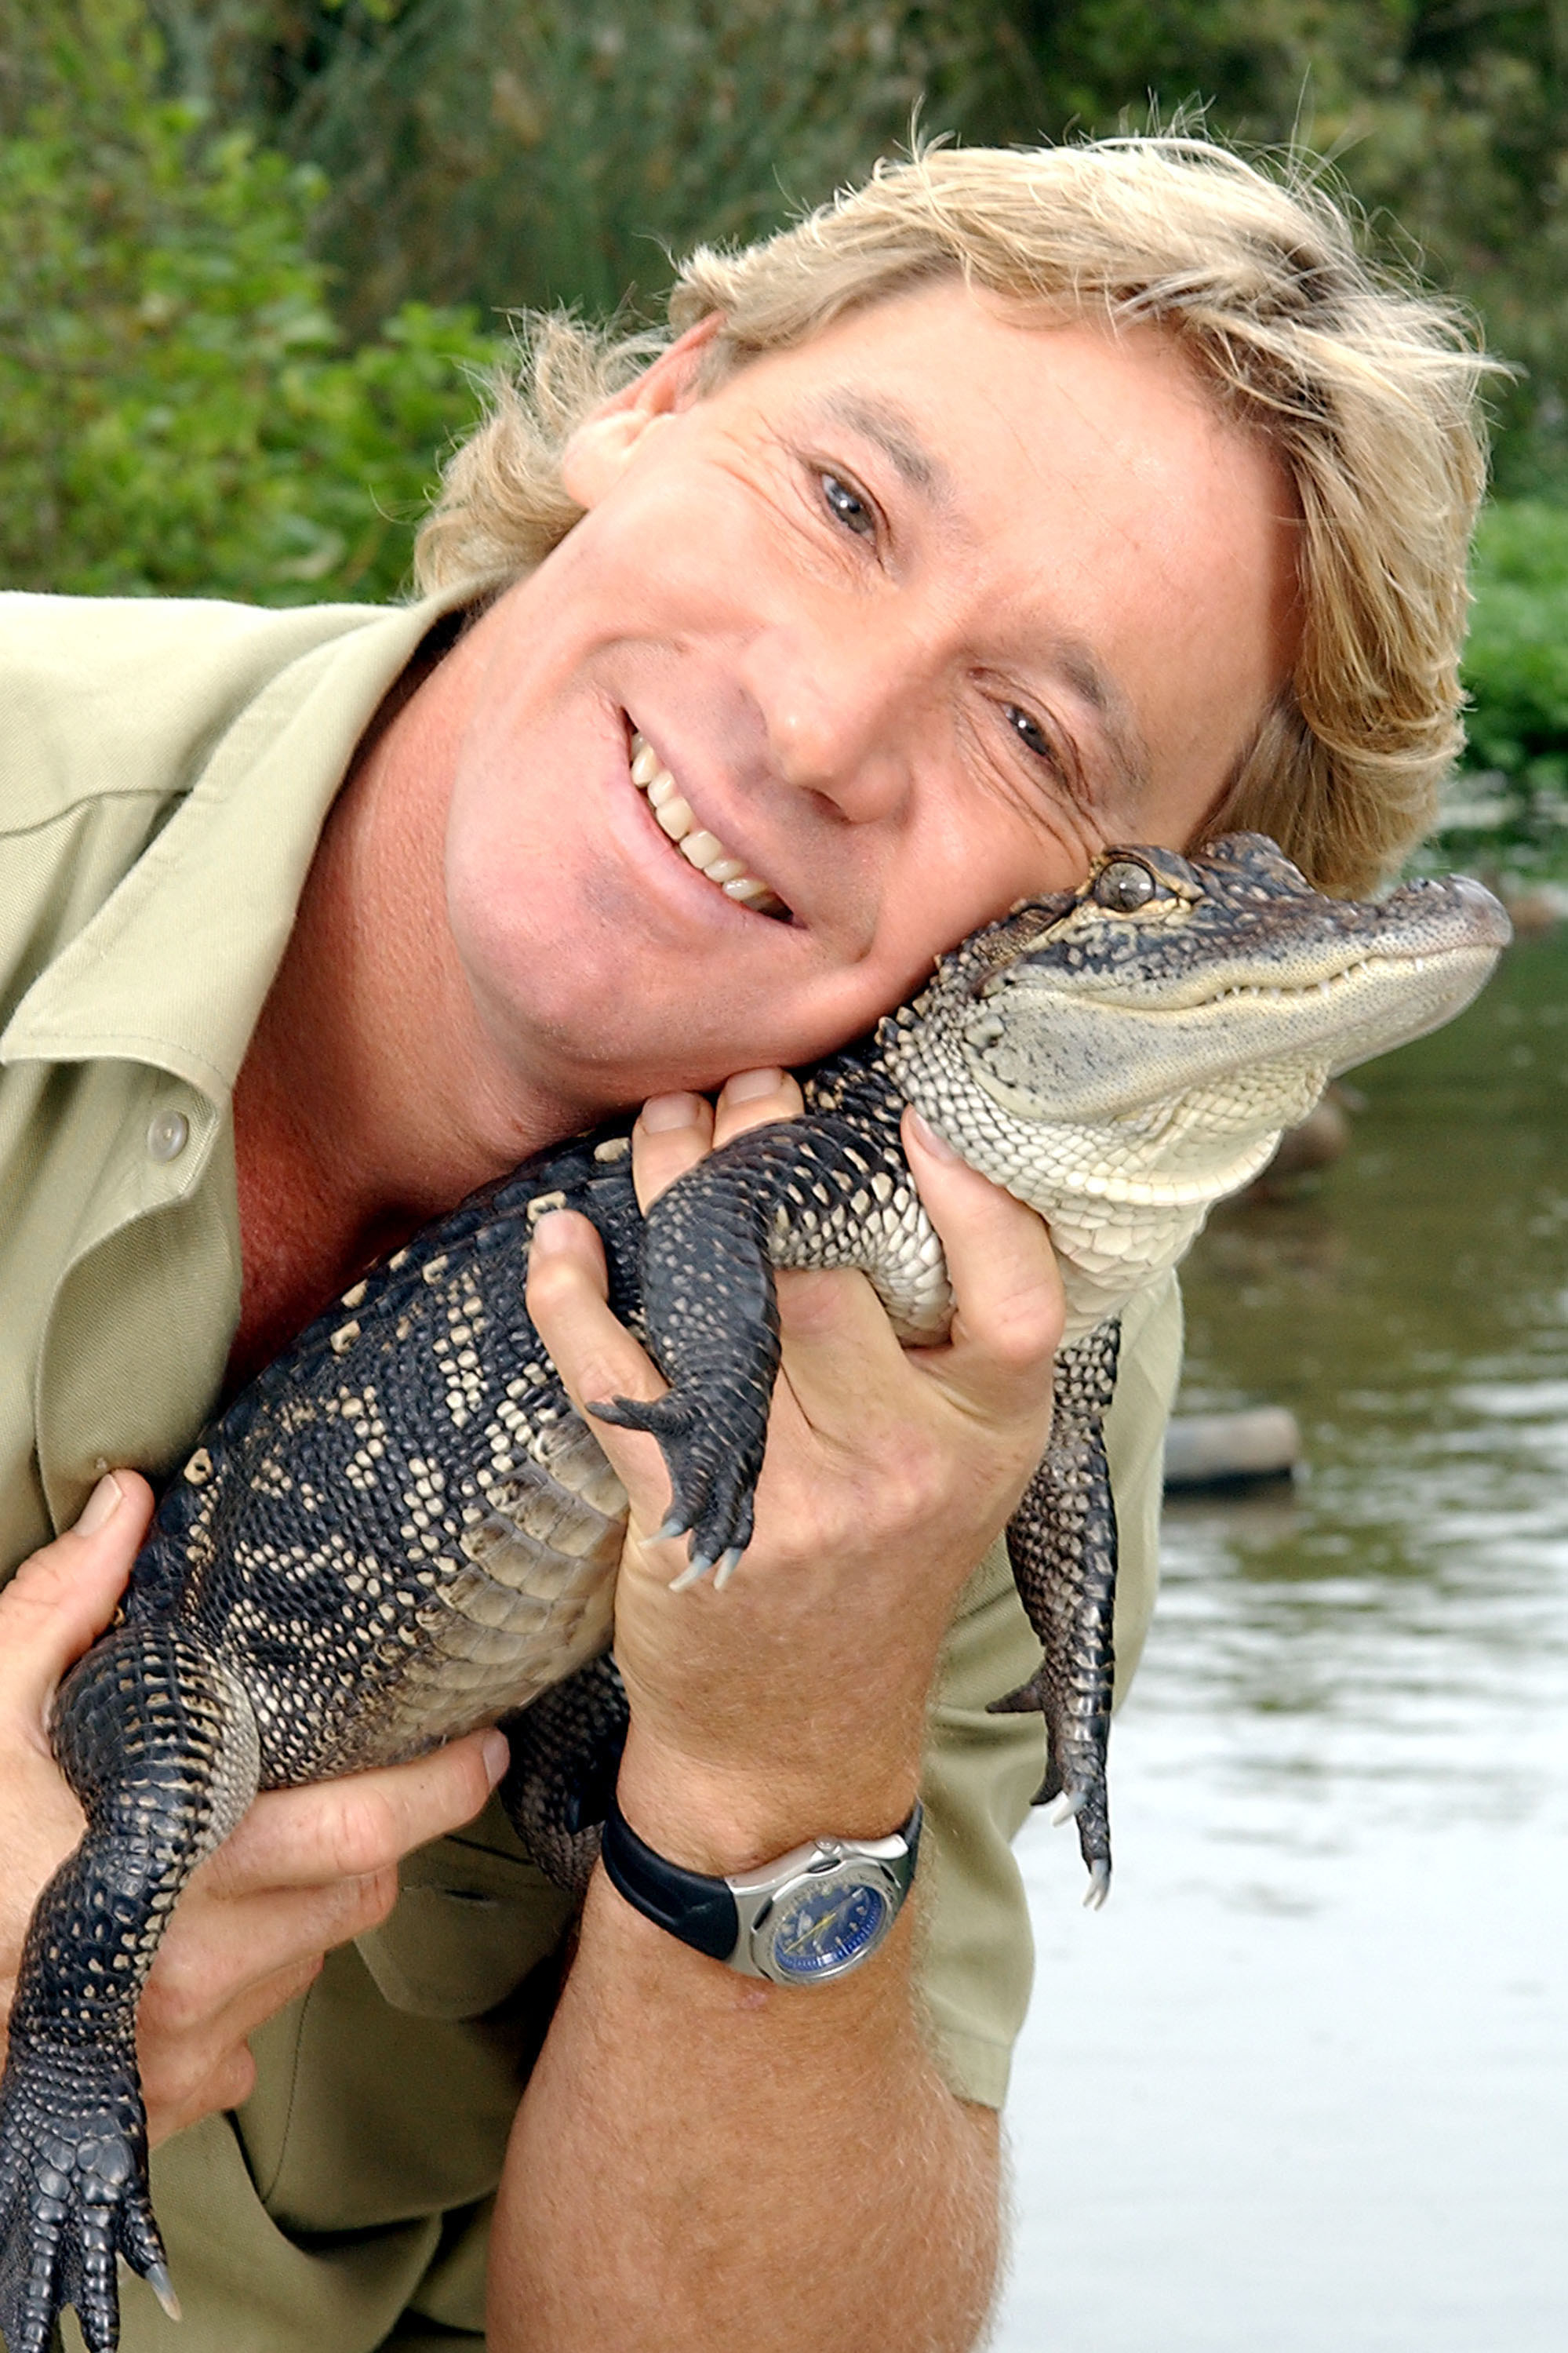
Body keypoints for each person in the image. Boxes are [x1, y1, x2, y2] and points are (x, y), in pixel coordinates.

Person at [0, 136, 1486, 2351]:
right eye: (850, 503)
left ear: (1077, 917)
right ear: (660, 398)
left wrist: (790, 1753)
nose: (811, 724)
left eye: (1034, 733)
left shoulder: (977, 1329)